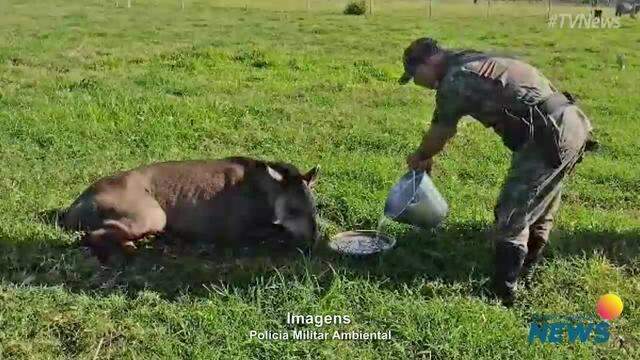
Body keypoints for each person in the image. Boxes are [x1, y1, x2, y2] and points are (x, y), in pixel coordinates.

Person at [399, 38, 596, 305]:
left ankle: (503, 292)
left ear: (427, 62)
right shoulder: (469, 59)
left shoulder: (455, 79)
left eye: (413, 75)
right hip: (570, 122)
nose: (416, 82)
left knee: (511, 212)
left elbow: (441, 130)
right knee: (541, 205)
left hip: (548, 135)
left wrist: (421, 156)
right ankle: (527, 268)